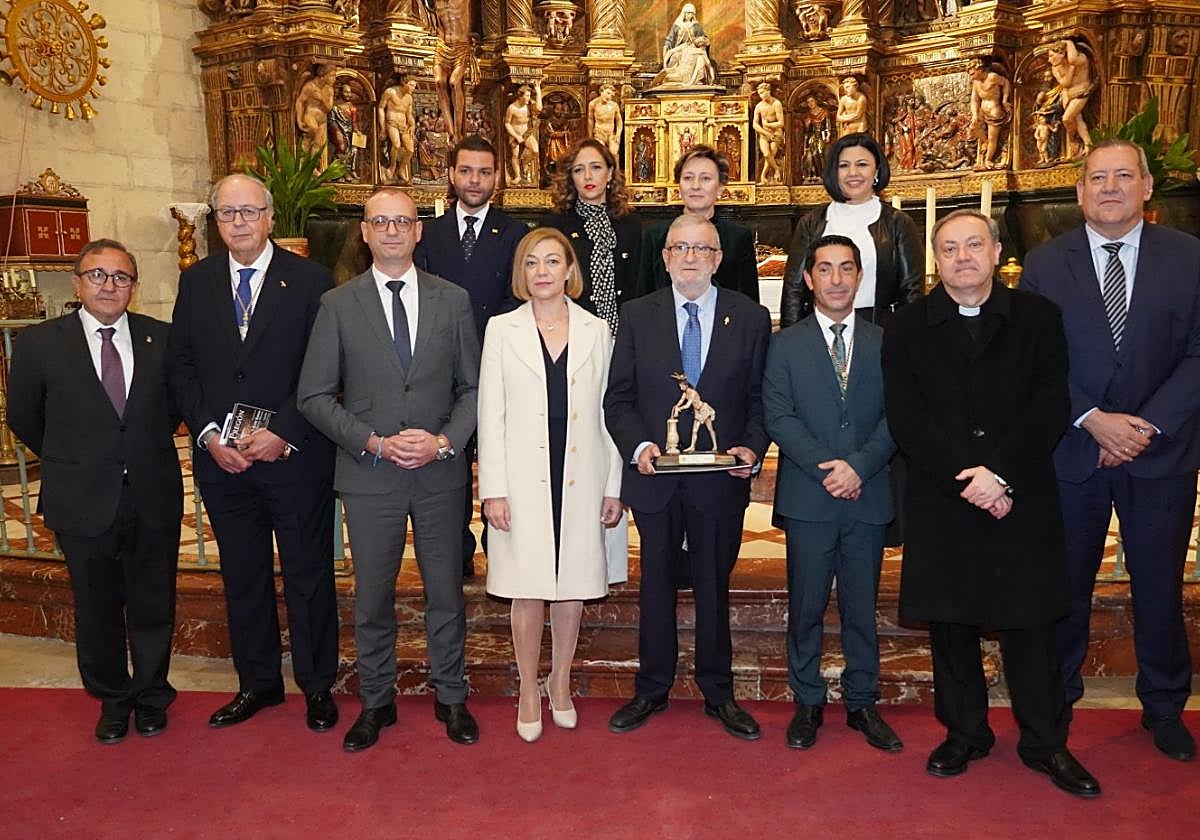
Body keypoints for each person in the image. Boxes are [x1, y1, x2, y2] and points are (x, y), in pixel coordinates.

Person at [882, 209, 1101, 798]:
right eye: (949, 248)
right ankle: (965, 734)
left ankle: (1046, 741)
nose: (962, 257)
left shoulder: (1037, 318)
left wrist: (999, 474)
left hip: (1019, 494)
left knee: (1030, 624)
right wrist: (970, 478)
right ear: (935, 258)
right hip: (945, 496)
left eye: (973, 244)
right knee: (950, 624)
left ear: (997, 249)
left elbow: (1048, 404)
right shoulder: (906, 327)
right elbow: (909, 418)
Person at [1021, 140, 1200, 763]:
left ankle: (1164, 705)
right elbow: (1036, 361)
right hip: (1075, 452)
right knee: (1064, 585)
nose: (1111, 187)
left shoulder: (1190, 257)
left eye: (1125, 175)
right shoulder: (1045, 264)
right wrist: (1094, 419)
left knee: (1158, 586)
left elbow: (1199, 353)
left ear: (1148, 187)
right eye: (1098, 177)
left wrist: (1145, 426)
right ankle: (1057, 699)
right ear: (1079, 192)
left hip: (1161, 454)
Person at [297, 187, 481, 751]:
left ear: (419, 230)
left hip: (437, 474)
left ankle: (451, 695)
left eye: (403, 221)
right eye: (381, 222)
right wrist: (373, 442)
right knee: (372, 596)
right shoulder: (338, 305)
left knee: (445, 592)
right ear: (365, 232)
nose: (393, 231)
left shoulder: (454, 300)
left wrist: (445, 442)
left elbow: (473, 387)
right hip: (368, 475)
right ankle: (377, 701)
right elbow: (314, 396)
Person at [167, 174, 339, 734]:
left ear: (269, 217)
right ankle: (258, 684)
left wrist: (282, 432)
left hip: (293, 457)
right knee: (243, 575)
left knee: (307, 574)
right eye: (226, 213)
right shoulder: (196, 283)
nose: (238, 222)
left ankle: (317, 686)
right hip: (224, 462)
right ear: (215, 222)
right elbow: (182, 366)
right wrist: (210, 434)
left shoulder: (311, 281)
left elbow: (326, 368)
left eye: (248, 211)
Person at [8, 239, 183, 745]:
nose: (110, 285)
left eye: (121, 277)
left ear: (133, 287)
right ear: (78, 282)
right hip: (81, 497)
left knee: (154, 602)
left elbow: (169, 412)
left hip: (151, 492)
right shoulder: (41, 342)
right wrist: (78, 457)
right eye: (98, 275)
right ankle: (112, 698)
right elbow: (25, 417)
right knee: (97, 605)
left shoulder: (162, 339)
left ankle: (151, 696)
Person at [604, 213, 771, 740]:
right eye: (680, 248)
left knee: (712, 587)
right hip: (656, 477)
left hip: (720, 481)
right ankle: (651, 688)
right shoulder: (635, 315)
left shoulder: (750, 316)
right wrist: (639, 446)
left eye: (701, 249)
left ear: (719, 259)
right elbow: (619, 398)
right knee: (654, 587)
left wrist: (750, 445)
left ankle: (718, 691)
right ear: (665, 258)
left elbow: (761, 398)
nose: (690, 257)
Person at [478, 228, 623, 741]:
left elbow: (612, 414)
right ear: (523, 273)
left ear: (569, 270)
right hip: (521, 478)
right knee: (527, 585)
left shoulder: (598, 330)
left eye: (552, 261)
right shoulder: (501, 330)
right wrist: (492, 488)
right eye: (532, 262)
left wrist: (613, 486)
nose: (542, 271)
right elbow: (489, 413)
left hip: (582, 474)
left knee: (572, 586)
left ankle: (559, 682)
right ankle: (527, 688)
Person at [763, 235, 901, 753]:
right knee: (807, 605)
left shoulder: (886, 342)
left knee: (862, 606)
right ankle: (808, 700)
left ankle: (863, 701)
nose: (837, 279)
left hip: (866, 493)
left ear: (859, 276)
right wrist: (828, 471)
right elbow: (778, 415)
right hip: (810, 499)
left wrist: (859, 466)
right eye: (826, 269)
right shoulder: (783, 344)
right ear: (808, 278)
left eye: (847, 268)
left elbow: (898, 415)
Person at [414, 134, 526, 576]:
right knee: (451, 459)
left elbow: (519, 297)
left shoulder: (516, 234)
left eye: (484, 171)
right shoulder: (429, 233)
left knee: (501, 460)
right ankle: (457, 552)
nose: (474, 180)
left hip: (499, 365)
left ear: (496, 177)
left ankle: (500, 549)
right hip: (443, 371)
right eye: (466, 170)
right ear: (451, 175)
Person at [781, 132, 923, 329]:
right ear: (833, 172)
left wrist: (907, 345)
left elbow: (912, 292)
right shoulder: (811, 223)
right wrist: (791, 341)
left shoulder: (897, 223)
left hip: (881, 331)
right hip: (819, 331)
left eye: (862, 164)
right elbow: (793, 289)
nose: (853, 173)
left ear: (877, 171)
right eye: (843, 165)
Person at [540, 138, 643, 337]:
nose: (588, 176)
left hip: (624, 334)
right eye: (579, 170)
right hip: (571, 334)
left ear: (610, 173)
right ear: (571, 177)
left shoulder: (631, 223)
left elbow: (638, 285)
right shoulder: (554, 225)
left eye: (596, 167)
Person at [642, 145, 760, 303]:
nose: (695, 186)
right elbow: (642, 298)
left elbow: (748, 302)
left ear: (720, 188)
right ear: (679, 185)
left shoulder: (737, 238)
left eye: (705, 178)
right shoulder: (654, 236)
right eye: (688, 178)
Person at [1048, 39, 1094, 159]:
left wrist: (1068, 42)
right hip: (1067, 95)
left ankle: (1073, 140)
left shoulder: (1081, 58)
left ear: (1062, 53)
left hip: (1081, 92)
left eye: (1051, 56)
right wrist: (1072, 69)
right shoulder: (1055, 68)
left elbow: (1073, 60)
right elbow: (1066, 83)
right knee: (1078, 120)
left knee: (1067, 118)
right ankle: (1087, 144)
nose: (1049, 60)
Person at [968, 60, 1012, 169]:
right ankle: (984, 141)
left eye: (972, 74)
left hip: (994, 110)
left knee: (993, 138)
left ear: (979, 69)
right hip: (982, 111)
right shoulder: (976, 82)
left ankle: (988, 159)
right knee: (972, 128)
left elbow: (1006, 82)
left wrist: (1004, 100)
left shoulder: (992, 77)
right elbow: (974, 99)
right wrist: (975, 115)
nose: (971, 77)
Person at [378, 75, 417, 184]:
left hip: (403, 125)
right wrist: (382, 127)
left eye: (414, 86)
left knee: (410, 149)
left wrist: (412, 126)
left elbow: (409, 115)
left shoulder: (409, 98)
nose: (413, 88)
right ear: (404, 83)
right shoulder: (390, 92)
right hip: (392, 122)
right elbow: (381, 108)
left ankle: (401, 168)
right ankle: (392, 166)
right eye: (411, 85)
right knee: (396, 145)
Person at [505, 83, 542, 185]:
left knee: (535, 150)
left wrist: (538, 90)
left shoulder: (529, 105)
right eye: (526, 95)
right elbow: (507, 123)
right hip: (515, 133)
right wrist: (516, 136)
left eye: (529, 95)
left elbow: (539, 108)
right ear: (520, 96)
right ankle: (517, 176)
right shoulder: (512, 108)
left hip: (526, 132)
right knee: (515, 155)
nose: (528, 98)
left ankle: (525, 162)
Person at [752, 82, 785, 185]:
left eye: (762, 93)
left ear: (768, 91)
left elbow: (781, 122)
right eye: (759, 94)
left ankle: (763, 177)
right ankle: (776, 169)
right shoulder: (759, 106)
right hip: (764, 134)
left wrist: (769, 125)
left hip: (776, 133)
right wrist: (765, 133)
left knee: (771, 153)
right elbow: (755, 124)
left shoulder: (776, 104)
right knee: (766, 154)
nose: (761, 96)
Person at [588, 84, 623, 157]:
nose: (609, 97)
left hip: (611, 133)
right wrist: (590, 136)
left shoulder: (614, 105)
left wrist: (618, 134)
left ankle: (614, 168)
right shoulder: (593, 104)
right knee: (599, 153)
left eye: (611, 95)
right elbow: (590, 120)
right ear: (601, 91)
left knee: (614, 152)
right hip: (599, 133)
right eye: (608, 93)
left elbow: (619, 121)